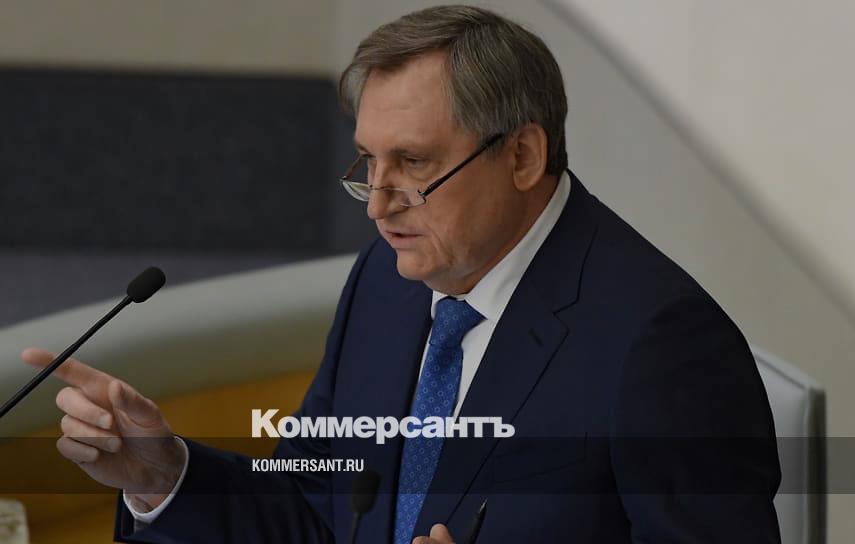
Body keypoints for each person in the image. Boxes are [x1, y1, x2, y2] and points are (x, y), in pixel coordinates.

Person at [22, 5, 781, 543]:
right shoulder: (387, 284)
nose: (380, 204)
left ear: (523, 155)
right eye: (368, 162)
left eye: (414, 164)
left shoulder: (662, 345)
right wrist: (165, 476)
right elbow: (314, 506)